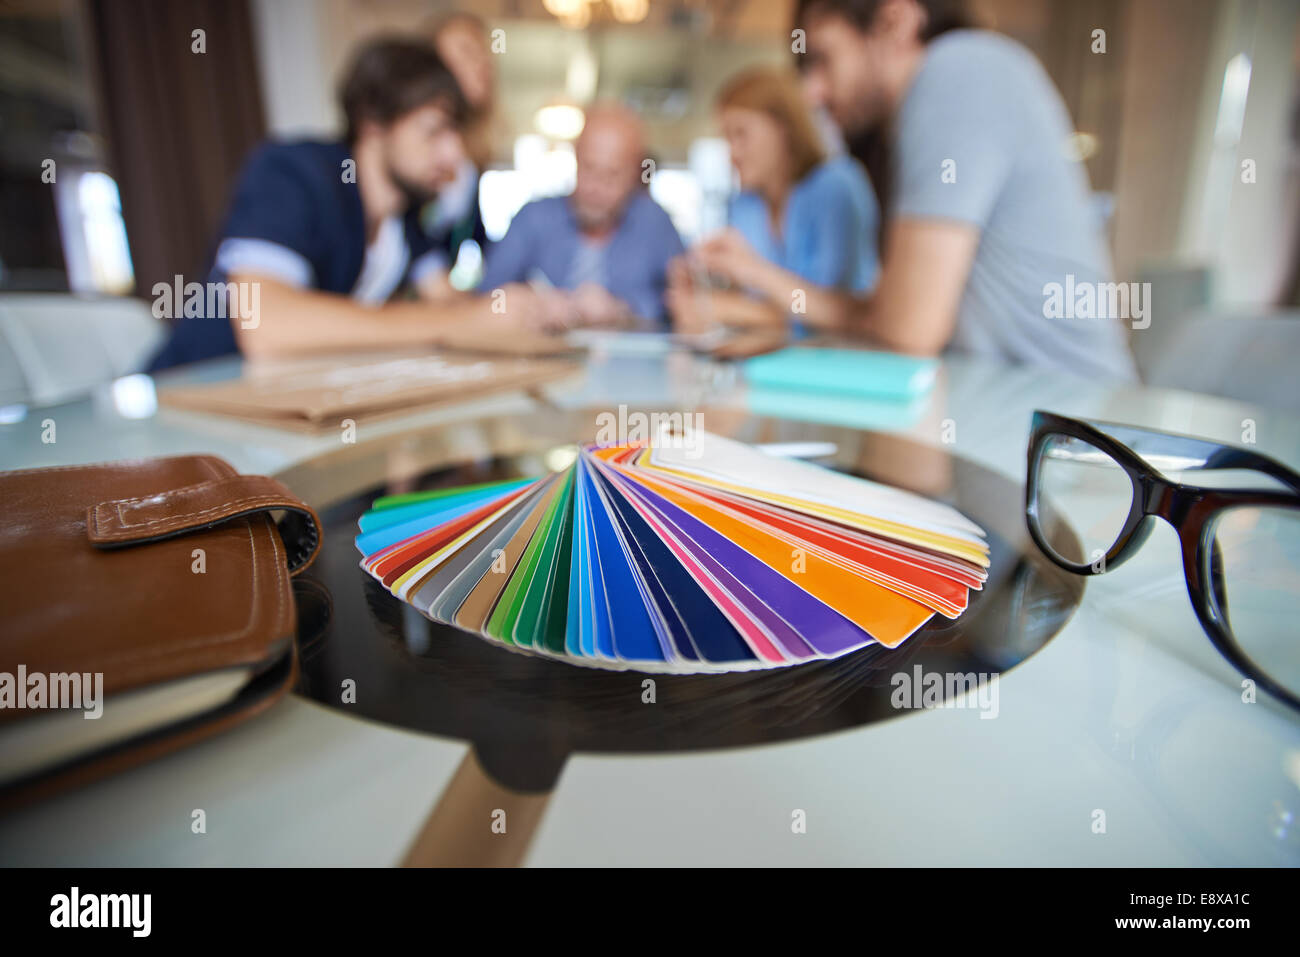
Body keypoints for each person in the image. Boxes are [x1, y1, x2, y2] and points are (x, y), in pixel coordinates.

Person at [709, 0, 1138, 381]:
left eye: (822, 59)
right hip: (1008, 405)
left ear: (894, 20)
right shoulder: (924, 107)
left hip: (1076, 431)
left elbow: (907, 330)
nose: (812, 92)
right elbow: (886, 317)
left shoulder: (956, 70)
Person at [147, 37, 557, 369]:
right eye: (433, 132)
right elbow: (266, 325)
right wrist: (462, 322)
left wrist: (533, 311)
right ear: (373, 121)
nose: (453, 156)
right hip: (184, 410)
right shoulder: (293, 173)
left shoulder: (408, 220)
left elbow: (450, 301)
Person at [668, 67, 879, 337]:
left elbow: (839, 316)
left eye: (741, 134)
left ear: (784, 129)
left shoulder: (837, 187)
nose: (732, 153)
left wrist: (747, 278)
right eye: (726, 138)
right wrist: (703, 283)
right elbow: (755, 304)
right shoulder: (744, 204)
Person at [478, 103, 685, 330]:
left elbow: (686, 304)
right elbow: (488, 296)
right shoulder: (533, 218)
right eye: (588, 169)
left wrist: (623, 309)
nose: (595, 188)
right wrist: (530, 303)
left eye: (611, 176)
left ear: (635, 174)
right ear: (575, 159)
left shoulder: (656, 224)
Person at [419, 11, 497, 296]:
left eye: (485, 53)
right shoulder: (406, 157)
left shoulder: (470, 162)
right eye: (468, 52)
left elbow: (480, 240)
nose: (484, 63)